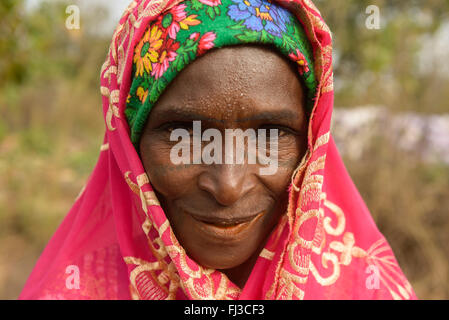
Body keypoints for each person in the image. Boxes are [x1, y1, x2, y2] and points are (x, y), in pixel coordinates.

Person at [20, 0, 416, 300]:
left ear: (310, 144)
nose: (228, 185)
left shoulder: (366, 285)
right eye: (184, 134)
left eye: (269, 133)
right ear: (130, 147)